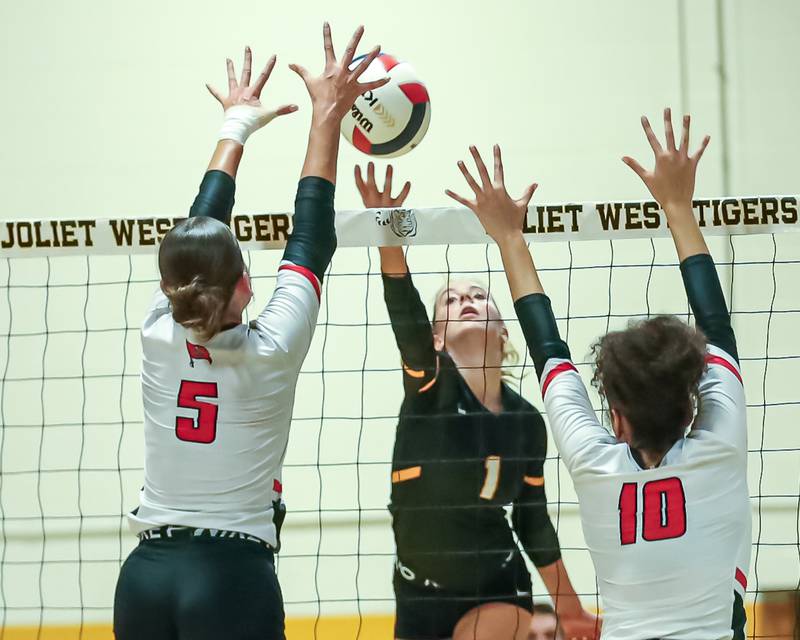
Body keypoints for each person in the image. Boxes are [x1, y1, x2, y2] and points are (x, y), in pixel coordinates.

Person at [113, 26, 388, 640]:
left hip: (145, 578)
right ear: (246, 283)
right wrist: (327, 114)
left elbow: (198, 232)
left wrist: (235, 124)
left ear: (173, 285)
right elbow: (312, 236)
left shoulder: (158, 327)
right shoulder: (270, 351)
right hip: (230, 577)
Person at [448, 110, 749, 638]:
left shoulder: (596, 462)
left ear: (616, 418)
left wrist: (509, 238)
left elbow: (547, 348)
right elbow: (717, 329)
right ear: (691, 402)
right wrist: (678, 205)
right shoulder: (718, 445)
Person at [355, 163, 600, 640]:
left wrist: (570, 609)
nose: (466, 300)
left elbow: (533, 520)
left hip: (498, 587)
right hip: (415, 594)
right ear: (438, 338)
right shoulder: (429, 389)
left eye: (479, 296)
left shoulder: (526, 420)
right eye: (450, 300)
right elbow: (404, 317)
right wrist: (387, 233)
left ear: (504, 329)